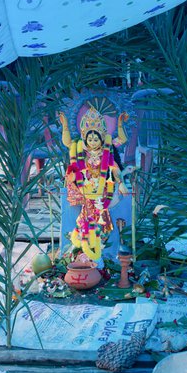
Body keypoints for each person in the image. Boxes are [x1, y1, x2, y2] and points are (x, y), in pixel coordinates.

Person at [57, 107, 129, 261]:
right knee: (83, 224)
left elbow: (121, 142)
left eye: (96, 139)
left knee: (102, 224)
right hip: (86, 190)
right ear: (85, 138)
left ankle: (101, 255)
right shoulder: (80, 149)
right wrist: (64, 126)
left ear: (101, 138)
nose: (93, 142)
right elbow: (67, 142)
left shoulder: (106, 151)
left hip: (103, 192)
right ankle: (85, 253)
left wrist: (120, 125)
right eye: (90, 139)